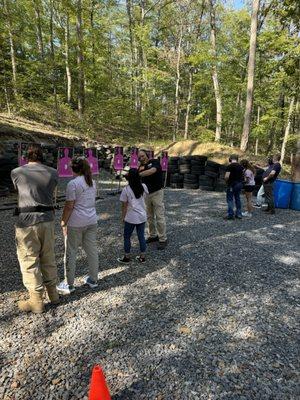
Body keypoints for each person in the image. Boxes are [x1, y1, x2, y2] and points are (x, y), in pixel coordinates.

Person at [11, 144, 59, 313]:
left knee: (29, 259)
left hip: (26, 222)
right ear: (42, 157)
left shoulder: (17, 172)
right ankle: (53, 295)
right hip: (47, 220)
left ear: (26, 157)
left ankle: (36, 301)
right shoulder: (53, 173)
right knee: (48, 255)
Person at [57, 157, 99, 295]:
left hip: (76, 222)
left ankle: (68, 284)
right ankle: (93, 279)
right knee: (92, 250)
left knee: (71, 251)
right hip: (91, 220)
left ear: (73, 169)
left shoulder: (73, 184)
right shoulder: (92, 182)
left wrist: (63, 222)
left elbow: (69, 206)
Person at [138, 149, 167, 249]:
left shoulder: (154, 162)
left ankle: (163, 239)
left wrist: (139, 174)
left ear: (147, 155)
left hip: (157, 193)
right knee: (149, 217)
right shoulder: (140, 167)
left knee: (159, 216)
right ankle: (153, 235)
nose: (141, 158)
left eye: (143, 156)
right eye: (139, 157)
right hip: (146, 194)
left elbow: (153, 171)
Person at [118, 168, 149, 263]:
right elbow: (145, 199)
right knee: (141, 236)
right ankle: (142, 257)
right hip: (142, 216)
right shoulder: (143, 186)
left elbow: (124, 206)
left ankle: (127, 257)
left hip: (130, 217)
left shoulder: (126, 190)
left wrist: (123, 217)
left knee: (127, 237)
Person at [224, 154, 244, 220]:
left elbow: (227, 176)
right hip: (239, 184)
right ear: (237, 159)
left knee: (230, 199)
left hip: (232, 185)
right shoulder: (241, 167)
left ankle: (230, 214)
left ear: (230, 159)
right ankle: (239, 214)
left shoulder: (229, 166)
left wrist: (226, 181)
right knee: (237, 198)